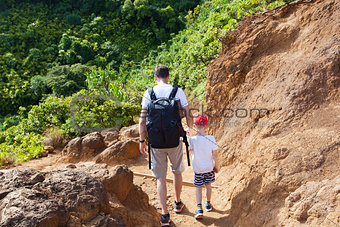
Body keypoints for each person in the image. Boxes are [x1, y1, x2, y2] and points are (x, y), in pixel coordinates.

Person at [139, 65, 193, 226]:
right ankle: (177, 203)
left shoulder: (149, 92)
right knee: (177, 172)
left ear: (155, 77)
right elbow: (188, 113)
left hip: (155, 142)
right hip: (174, 139)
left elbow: (142, 120)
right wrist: (189, 130)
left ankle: (164, 214)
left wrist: (142, 141)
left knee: (160, 178)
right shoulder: (177, 91)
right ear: (168, 76)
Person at [188, 114, 219, 219]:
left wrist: (189, 135)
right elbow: (215, 154)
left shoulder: (192, 140)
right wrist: (216, 165)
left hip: (198, 169)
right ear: (206, 126)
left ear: (195, 126)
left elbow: (190, 150)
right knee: (208, 186)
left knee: (198, 188)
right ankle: (208, 204)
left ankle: (199, 208)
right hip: (209, 168)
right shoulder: (211, 138)